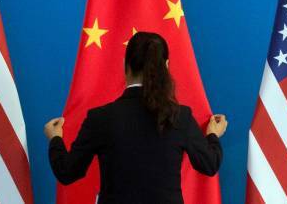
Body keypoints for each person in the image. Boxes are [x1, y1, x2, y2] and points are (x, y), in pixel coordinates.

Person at [45, 32, 227, 204]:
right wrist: (212, 135)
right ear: (166, 66)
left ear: (125, 64)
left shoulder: (100, 118)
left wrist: (55, 138)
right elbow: (209, 164)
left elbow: (67, 172)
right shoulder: (181, 116)